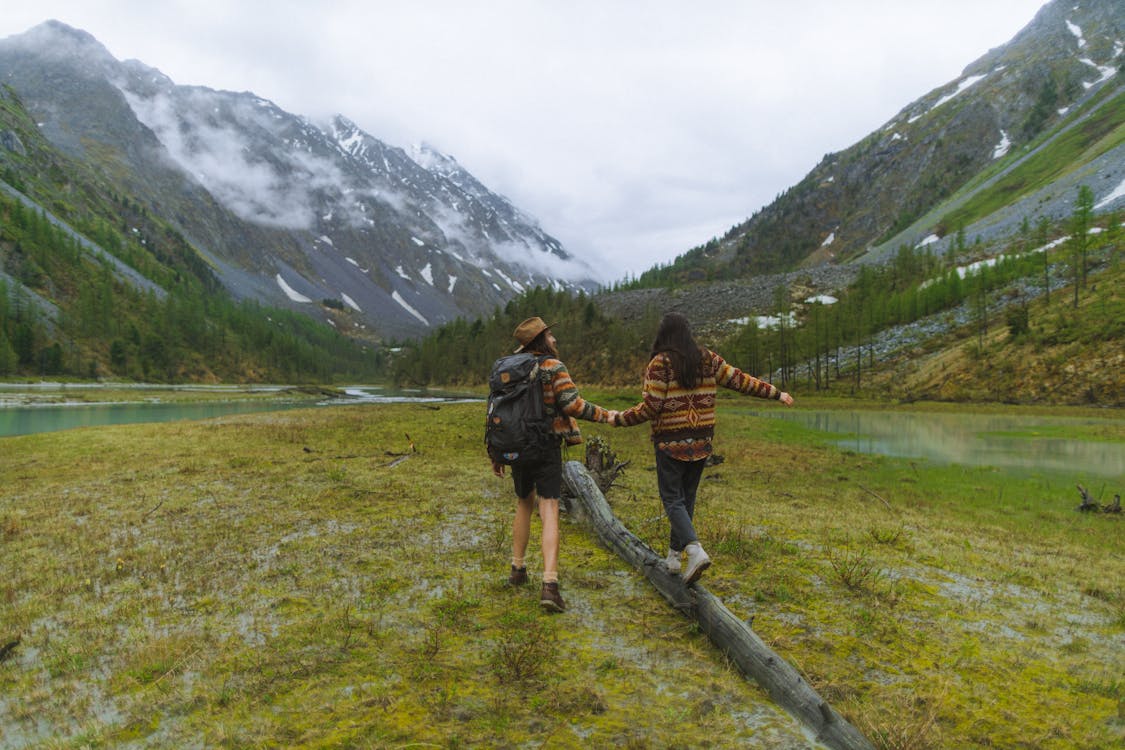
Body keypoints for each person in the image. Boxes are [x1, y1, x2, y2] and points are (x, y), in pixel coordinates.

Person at [614, 312, 793, 584]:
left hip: (670, 442)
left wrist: (619, 418)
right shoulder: (708, 359)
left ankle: (694, 551)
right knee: (687, 498)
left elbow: (651, 408)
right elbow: (740, 380)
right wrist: (776, 393)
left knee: (673, 499)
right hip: (702, 441)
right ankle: (674, 558)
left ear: (663, 335)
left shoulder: (659, 364)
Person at [491, 316, 617, 613]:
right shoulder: (552, 366)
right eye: (550, 335)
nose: (555, 340)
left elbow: (496, 411)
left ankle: (517, 570)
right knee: (548, 510)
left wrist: (494, 453)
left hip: (517, 447)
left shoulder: (510, 369)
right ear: (541, 340)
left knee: (523, 503)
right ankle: (550, 585)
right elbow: (574, 405)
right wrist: (606, 415)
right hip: (546, 446)